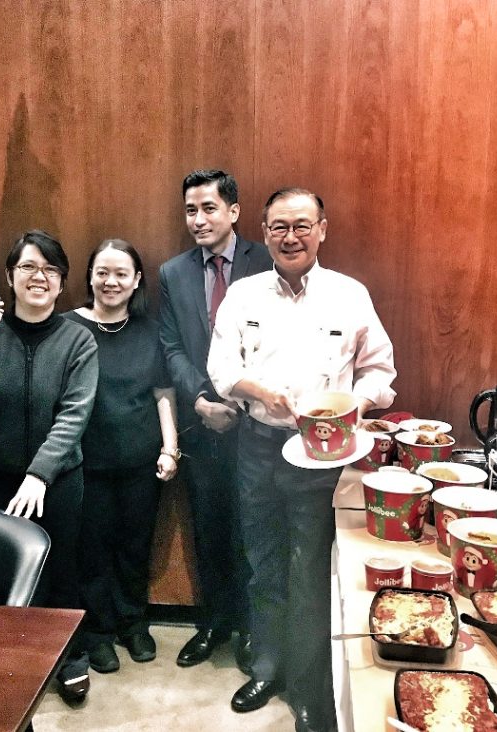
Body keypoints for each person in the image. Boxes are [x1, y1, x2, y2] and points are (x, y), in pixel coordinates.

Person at [207, 188, 396, 732]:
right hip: (258, 446)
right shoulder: (243, 295)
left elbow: (380, 370)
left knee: (310, 567)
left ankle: (309, 688)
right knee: (262, 560)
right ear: (265, 233)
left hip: (324, 453)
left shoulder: (349, 294)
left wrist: (353, 406)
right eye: (280, 227)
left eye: (302, 226)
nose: (291, 237)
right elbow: (221, 368)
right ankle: (267, 668)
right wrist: (259, 393)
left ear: (322, 230)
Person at [0, 230, 98, 703]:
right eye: (28, 267)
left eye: (50, 269)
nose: (39, 277)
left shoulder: (78, 340)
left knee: (62, 572)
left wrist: (40, 474)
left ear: (62, 281)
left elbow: (74, 415)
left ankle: (70, 656)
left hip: (58, 482)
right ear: (9, 276)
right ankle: (7, 660)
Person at [158, 169, 272, 672]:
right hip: (201, 423)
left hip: (256, 425)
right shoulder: (173, 273)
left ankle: (250, 629)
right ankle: (213, 623)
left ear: (234, 211)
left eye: (208, 208)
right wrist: (203, 399)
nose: (198, 219)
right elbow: (171, 347)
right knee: (207, 529)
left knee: (254, 530)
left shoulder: (265, 260)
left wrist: (240, 402)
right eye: (190, 210)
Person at [63, 239, 179, 675]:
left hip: (141, 463)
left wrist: (170, 448)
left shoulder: (150, 331)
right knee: (91, 551)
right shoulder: (68, 327)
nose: (110, 282)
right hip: (84, 465)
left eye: (121, 274)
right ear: (90, 276)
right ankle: (97, 632)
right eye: (102, 272)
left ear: (136, 281)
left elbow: (163, 393)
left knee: (135, 547)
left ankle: (133, 623)